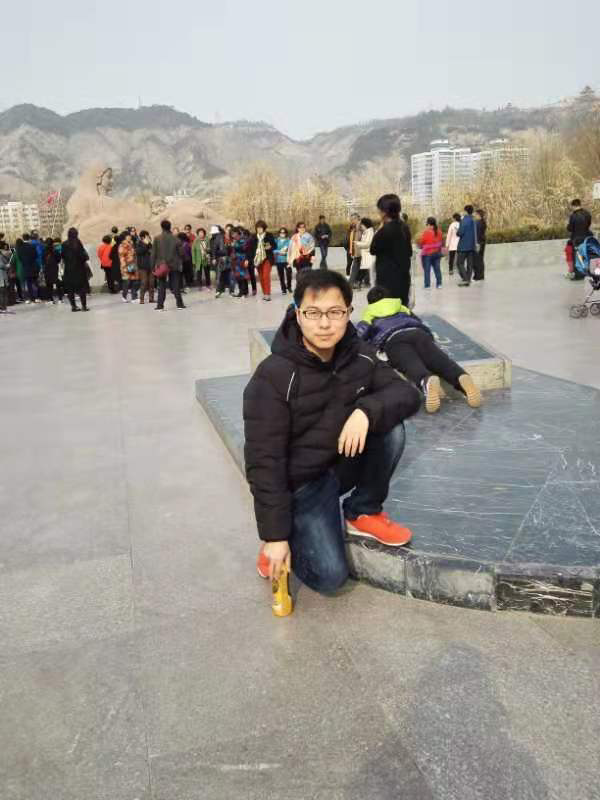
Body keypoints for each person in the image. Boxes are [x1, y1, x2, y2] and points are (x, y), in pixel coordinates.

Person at [243, 270, 421, 592]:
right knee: (330, 577)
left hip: (340, 462)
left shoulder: (359, 354)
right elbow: (263, 461)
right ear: (298, 314)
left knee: (391, 427)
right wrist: (275, 537)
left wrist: (365, 412)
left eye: (335, 312)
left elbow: (406, 393)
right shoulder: (274, 375)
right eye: (313, 313)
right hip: (302, 484)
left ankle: (363, 510)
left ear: (349, 313)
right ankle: (290, 534)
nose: (324, 324)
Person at [356, 286, 482, 413]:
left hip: (393, 340)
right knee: (439, 359)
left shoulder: (370, 311)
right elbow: (417, 320)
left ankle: (426, 380)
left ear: (370, 302)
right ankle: (460, 376)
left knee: (409, 363)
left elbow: (362, 332)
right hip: (418, 333)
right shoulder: (400, 306)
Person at [370, 194, 413, 305]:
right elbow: (409, 252)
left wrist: (380, 228)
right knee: (402, 308)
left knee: (388, 309)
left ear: (384, 212)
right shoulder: (404, 227)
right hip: (403, 278)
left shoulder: (384, 230)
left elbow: (373, 249)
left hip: (387, 280)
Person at [152, 219, 185, 311]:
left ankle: (160, 306)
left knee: (161, 285)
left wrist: (152, 266)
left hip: (161, 265)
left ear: (161, 227)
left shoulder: (157, 238)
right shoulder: (176, 239)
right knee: (176, 285)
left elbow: (153, 254)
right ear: (170, 227)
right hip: (174, 265)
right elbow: (182, 253)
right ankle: (179, 304)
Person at [61, 227, 90, 312]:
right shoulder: (78, 243)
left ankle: (73, 306)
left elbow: (63, 256)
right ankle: (84, 306)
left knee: (70, 289)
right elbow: (82, 255)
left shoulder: (64, 244)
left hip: (68, 270)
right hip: (79, 269)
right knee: (82, 288)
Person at [247, 220, 276, 301]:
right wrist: (250, 259)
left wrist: (270, 247)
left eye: (261, 228)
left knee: (266, 275)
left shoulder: (269, 235)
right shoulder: (253, 237)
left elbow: (274, 245)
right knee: (261, 277)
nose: (259, 229)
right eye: (258, 228)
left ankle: (267, 294)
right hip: (257, 259)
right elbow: (250, 249)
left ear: (264, 228)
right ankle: (264, 292)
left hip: (267, 258)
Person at [567, 199, 593, 281]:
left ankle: (578, 276)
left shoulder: (573, 216)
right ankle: (583, 274)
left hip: (576, 239)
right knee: (584, 256)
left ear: (573, 206)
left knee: (576, 256)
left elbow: (570, 228)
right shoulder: (587, 213)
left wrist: (568, 226)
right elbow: (588, 224)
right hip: (586, 238)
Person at [417, 216, 443, 289]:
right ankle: (439, 284)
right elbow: (441, 242)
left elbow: (422, 242)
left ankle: (427, 285)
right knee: (437, 269)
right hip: (437, 253)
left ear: (428, 224)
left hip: (427, 254)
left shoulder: (426, 232)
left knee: (427, 270)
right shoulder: (439, 232)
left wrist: (420, 246)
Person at [456, 205, 478, 287]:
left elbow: (460, 232)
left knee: (459, 263)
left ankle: (465, 279)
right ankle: (468, 279)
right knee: (469, 264)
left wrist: (457, 232)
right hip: (471, 246)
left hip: (463, 246)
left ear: (465, 211)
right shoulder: (473, 220)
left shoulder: (464, 220)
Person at [17, 233, 40, 303]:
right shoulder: (32, 246)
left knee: (28, 283)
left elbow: (20, 258)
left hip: (25, 267)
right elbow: (36, 255)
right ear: (29, 238)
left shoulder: (20, 247)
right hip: (33, 266)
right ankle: (36, 297)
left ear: (23, 238)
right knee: (34, 282)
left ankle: (31, 298)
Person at [353, 218, 375, 288]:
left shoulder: (370, 232)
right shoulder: (366, 232)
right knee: (365, 269)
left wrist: (357, 243)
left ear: (365, 225)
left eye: (361, 225)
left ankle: (357, 283)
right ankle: (359, 283)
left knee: (364, 269)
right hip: (365, 254)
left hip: (368, 254)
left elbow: (368, 243)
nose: (361, 226)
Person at [210, 225, 230, 298]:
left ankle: (218, 290)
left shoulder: (219, 238)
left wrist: (214, 257)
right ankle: (221, 289)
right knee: (222, 275)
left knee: (219, 275)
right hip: (221, 258)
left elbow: (220, 250)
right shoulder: (216, 238)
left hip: (220, 259)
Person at [118, 232, 139, 302]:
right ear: (124, 237)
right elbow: (121, 256)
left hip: (132, 265)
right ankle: (124, 296)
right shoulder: (122, 245)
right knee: (127, 282)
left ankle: (134, 297)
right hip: (127, 265)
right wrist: (124, 266)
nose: (130, 237)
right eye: (128, 236)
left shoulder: (131, 244)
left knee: (134, 281)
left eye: (130, 236)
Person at [136, 230, 154, 304]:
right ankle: (142, 299)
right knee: (144, 283)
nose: (148, 237)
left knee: (151, 283)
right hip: (142, 267)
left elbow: (153, 251)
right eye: (147, 236)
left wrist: (149, 244)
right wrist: (146, 244)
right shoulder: (138, 244)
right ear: (143, 237)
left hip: (151, 265)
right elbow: (139, 252)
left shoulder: (150, 244)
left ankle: (151, 298)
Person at [43, 237, 63, 304]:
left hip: (47, 268)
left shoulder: (44, 251)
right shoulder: (55, 250)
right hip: (54, 267)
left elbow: (42, 260)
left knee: (49, 285)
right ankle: (60, 299)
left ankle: (51, 300)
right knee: (57, 283)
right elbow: (59, 259)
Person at [232, 227, 250, 298]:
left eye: (234, 233)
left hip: (242, 260)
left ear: (237, 233)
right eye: (232, 234)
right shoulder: (235, 240)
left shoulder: (242, 239)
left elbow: (244, 248)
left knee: (242, 277)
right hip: (236, 261)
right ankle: (243, 292)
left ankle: (243, 292)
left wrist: (234, 246)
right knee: (239, 277)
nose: (233, 235)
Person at [275, 227, 292, 294]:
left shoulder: (289, 241)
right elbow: (273, 250)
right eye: (281, 232)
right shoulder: (276, 241)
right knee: (281, 275)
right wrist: (278, 251)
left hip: (287, 260)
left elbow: (291, 250)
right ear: (279, 233)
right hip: (278, 260)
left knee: (289, 274)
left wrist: (286, 252)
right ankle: (283, 289)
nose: (282, 234)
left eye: (284, 232)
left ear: (286, 233)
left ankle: (289, 286)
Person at [0, 239, 14, 314]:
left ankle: (3, 307)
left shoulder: (2, 255)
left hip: (2, 277)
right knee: (3, 293)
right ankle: (3, 308)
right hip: (2, 277)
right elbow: (1, 265)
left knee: (3, 293)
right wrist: (7, 266)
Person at [474, 209, 487, 281]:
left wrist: (476, 243)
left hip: (478, 243)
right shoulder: (483, 222)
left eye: (476, 214)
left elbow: (477, 234)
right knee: (481, 259)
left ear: (479, 215)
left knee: (477, 260)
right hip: (482, 242)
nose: (475, 216)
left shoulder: (477, 223)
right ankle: (481, 275)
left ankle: (478, 276)